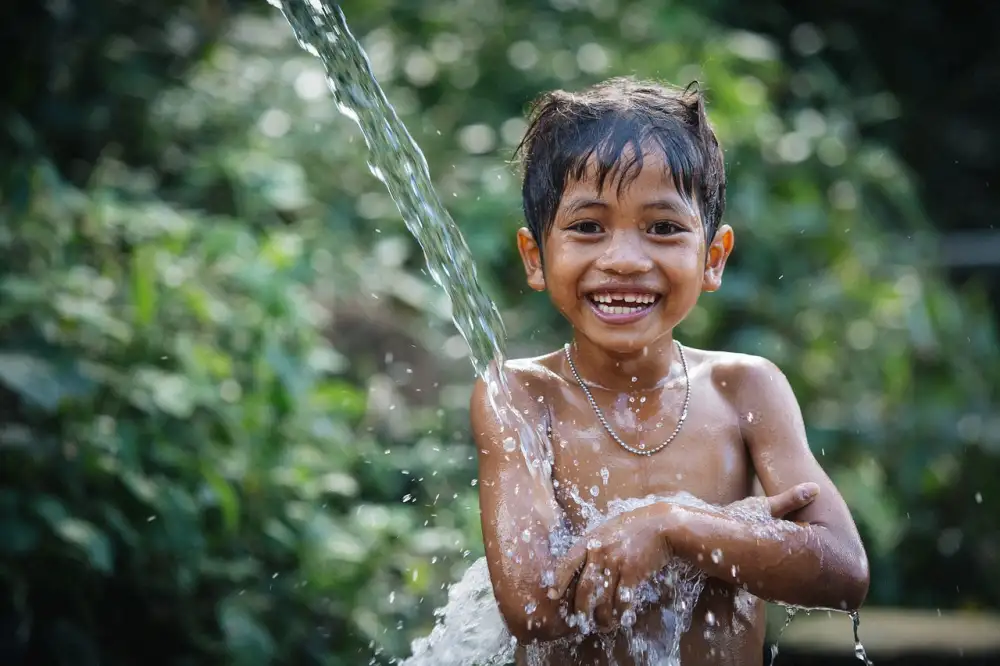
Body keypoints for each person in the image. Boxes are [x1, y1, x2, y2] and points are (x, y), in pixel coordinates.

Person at [470, 77, 869, 665]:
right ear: (537, 258)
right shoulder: (523, 396)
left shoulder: (744, 389)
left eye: (663, 228)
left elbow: (841, 570)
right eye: (587, 227)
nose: (625, 259)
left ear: (712, 259)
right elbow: (534, 606)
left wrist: (676, 527)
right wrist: (732, 529)